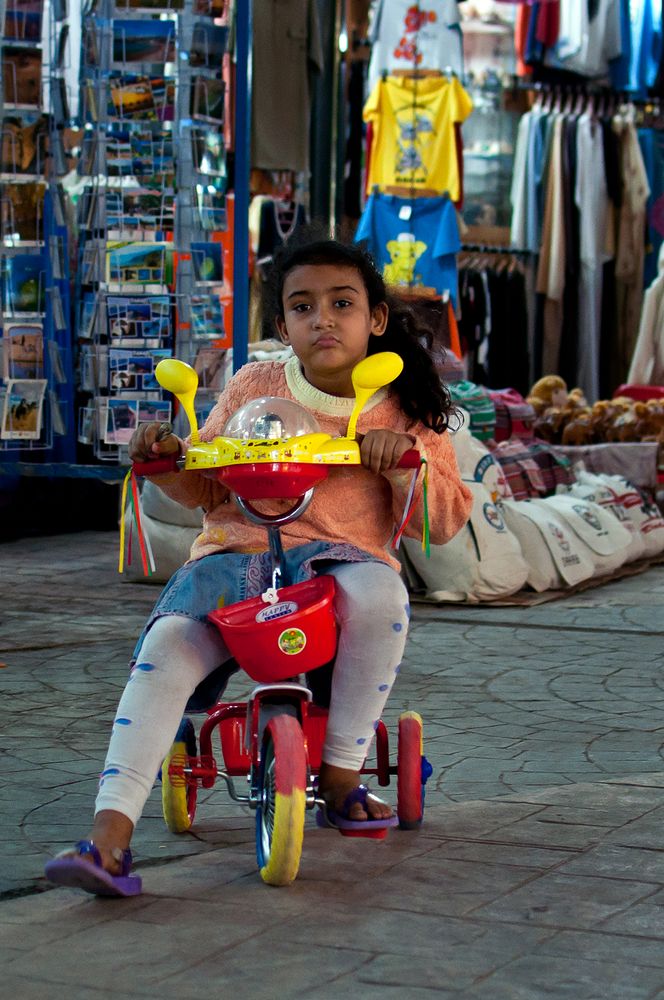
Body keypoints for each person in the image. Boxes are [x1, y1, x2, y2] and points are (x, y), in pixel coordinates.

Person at [45, 234, 473, 896]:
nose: (322, 319)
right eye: (303, 307)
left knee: (382, 593)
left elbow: (440, 523)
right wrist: (167, 459)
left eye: (342, 304)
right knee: (167, 644)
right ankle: (108, 837)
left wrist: (400, 466)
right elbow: (209, 487)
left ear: (375, 319)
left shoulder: (401, 406)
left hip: (339, 568)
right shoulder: (255, 385)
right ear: (283, 325)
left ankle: (340, 772)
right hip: (237, 556)